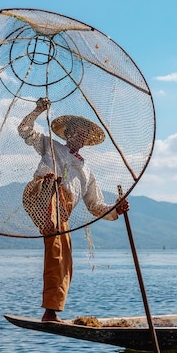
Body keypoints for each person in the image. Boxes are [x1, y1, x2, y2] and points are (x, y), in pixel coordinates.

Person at [18, 97, 129, 322]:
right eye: (75, 132)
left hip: (62, 212)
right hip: (43, 193)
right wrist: (38, 110)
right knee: (57, 248)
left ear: (86, 140)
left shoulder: (87, 170)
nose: (79, 137)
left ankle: (51, 311)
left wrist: (117, 209)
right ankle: (49, 313)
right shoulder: (51, 145)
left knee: (64, 260)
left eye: (83, 134)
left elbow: (96, 206)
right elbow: (24, 130)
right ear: (67, 133)